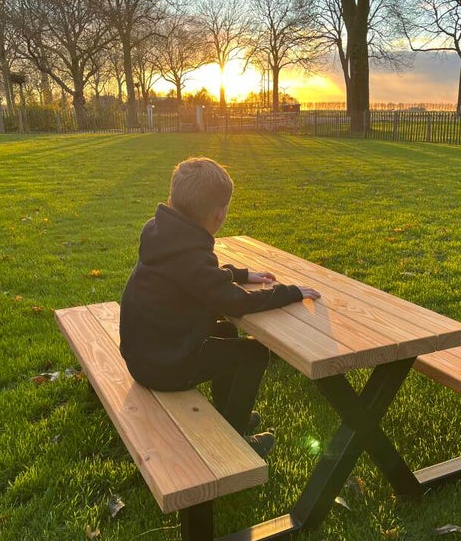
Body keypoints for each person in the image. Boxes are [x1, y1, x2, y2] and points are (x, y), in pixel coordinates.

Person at [119, 156, 320, 458]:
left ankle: (229, 416)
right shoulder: (189, 254)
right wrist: (288, 292)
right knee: (253, 354)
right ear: (219, 215)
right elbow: (234, 302)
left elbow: (197, 277)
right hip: (161, 366)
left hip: (149, 351)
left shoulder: (164, 234)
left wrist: (239, 274)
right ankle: (234, 443)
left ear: (171, 199)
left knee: (225, 331)